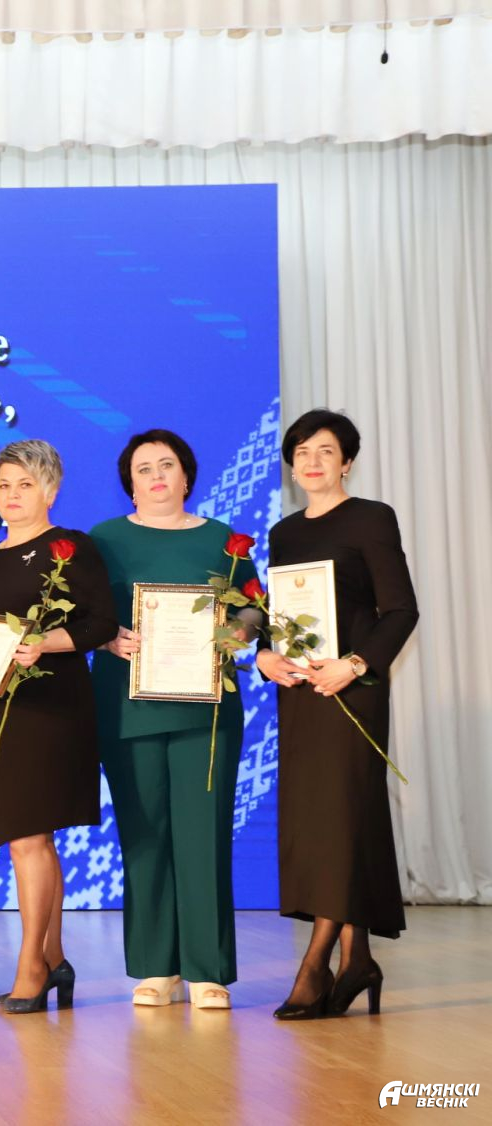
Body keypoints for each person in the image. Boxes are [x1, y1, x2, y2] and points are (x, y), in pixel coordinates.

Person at [90, 431, 260, 1010]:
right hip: (127, 706)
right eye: (144, 468)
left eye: (167, 465)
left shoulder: (222, 539)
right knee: (144, 833)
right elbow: (87, 617)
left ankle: (207, 970)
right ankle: (156, 966)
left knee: (203, 832)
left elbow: (253, 610)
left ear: (186, 475)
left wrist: (231, 637)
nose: (157, 475)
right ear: (129, 483)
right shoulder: (104, 540)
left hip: (205, 711)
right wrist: (107, 638)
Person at [257, 410, 418, 1020]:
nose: (312, 461)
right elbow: (276, 616)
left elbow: (400, 610)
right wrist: (264, 654)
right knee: (320, 823)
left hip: (352, 690)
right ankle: (358, 959)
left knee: (344, 817)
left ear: (346, 461)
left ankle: (315, 964)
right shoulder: (283, 532)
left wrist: (353, 664)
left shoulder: (372, 518)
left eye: (325, 450)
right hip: (302, 693)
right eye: (301, 452)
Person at [0, 440, 116, 1014]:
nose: (12, 495)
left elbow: (101, 623)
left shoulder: (71, 549)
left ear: (50, 489)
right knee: (30, 839)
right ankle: (54, 958)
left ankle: (31, 966)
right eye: (3, 485)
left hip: (54, 709)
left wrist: (45, 642)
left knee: (29, 838)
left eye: (24, 484)